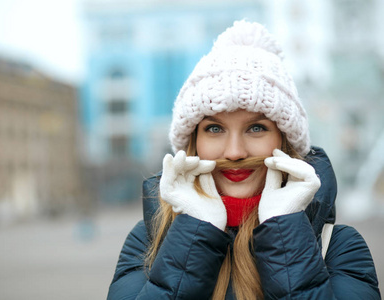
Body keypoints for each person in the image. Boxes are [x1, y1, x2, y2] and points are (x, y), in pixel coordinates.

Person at [107, 20, 381, 300]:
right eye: (214, 129)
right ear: (193, 143)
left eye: (256, 128)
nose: (235, 152)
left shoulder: (338, 247)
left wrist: (284, 230)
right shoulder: (149, 241)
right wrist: (195, 233)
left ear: (284, 141)